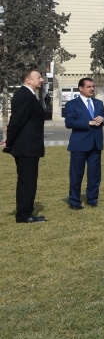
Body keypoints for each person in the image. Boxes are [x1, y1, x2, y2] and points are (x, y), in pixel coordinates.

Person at [2, 68, 48, 223]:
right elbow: (16, 121)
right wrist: (9, 141)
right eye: (39, 77)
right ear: (28, 79)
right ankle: (24, 215)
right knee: (27, 182)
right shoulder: (24, 95)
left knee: (28, 181)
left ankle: (26, 212)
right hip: (26, 147)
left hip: (28, 146)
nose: (41, 80)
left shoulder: (28, 95)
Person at [63, 77, 104, 209]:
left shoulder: (98, 103)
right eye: (89, 86)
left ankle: (92, 199)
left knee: (94, 175)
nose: (92, 89)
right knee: (76, 175)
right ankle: (74, 201)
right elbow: (69, 123)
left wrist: (103, 119)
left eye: (93, 86)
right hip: (79, 145)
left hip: (96, 144)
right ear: (81, 88)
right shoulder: (72, 104)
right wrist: (88, 123)